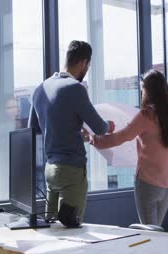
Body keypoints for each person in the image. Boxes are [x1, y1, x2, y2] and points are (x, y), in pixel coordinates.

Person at [28, 40, 115, 223]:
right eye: (88, 66)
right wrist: (109, 125)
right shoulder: (75, 88)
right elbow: (99, 127)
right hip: (71, 170)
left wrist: (73, 131)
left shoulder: (40, 89)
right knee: (72, 230)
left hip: (51, 170)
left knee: (50, 228)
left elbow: (35, 128)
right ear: (84, 62)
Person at [91, 70, 168, 226]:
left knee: (149, 233)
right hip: (167, 186)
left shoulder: (147, 115)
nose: (142, 93)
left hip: (148, 184)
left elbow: (121, 137)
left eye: (142, 89)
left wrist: (96, 140)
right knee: (156, 232)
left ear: (148, 90)